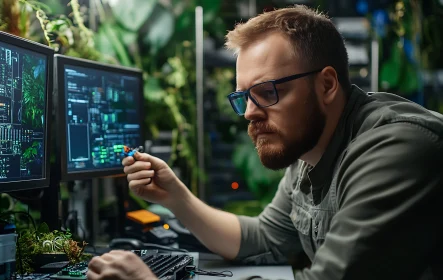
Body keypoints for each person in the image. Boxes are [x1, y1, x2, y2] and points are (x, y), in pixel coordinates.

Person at [87, 5, 443, 280]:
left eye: (267, 91)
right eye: (244, 97)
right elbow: (265, 239)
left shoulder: (397, 148)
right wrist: (175, 196)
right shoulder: (312, 149)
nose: (248, 114)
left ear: (327, 85)